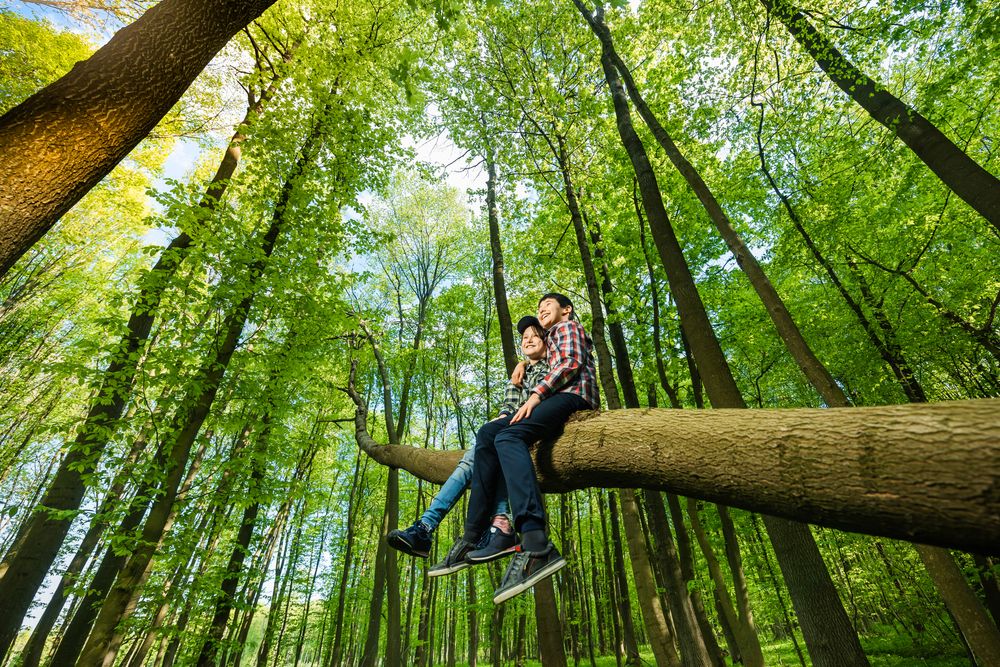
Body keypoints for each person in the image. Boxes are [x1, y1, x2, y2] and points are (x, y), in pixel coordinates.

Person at [437, 293, 598, 604]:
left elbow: (571, 363)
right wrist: (523, 366)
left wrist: (535, 396)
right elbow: (541, 358)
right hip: (551, 398)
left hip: (573, 396)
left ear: (566, 309)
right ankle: (475, 535)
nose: (542, 310)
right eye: (539, 308)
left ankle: (536, 541)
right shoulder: (547, 342)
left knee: (509, 438)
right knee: (488, 434)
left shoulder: (568, 327)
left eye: (548, 305)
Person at [386, 315, 552, 577]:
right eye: (524, 338)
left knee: (478, 455)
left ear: (547, 340)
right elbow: (507, 409)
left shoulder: (555, 364)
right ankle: (434, 526)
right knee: (470, 460)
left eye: (535, 335)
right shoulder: (517, 377)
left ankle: (435, 528)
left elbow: (549, 395)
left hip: (533, 426)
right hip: (508, 428)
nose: (528, 339)